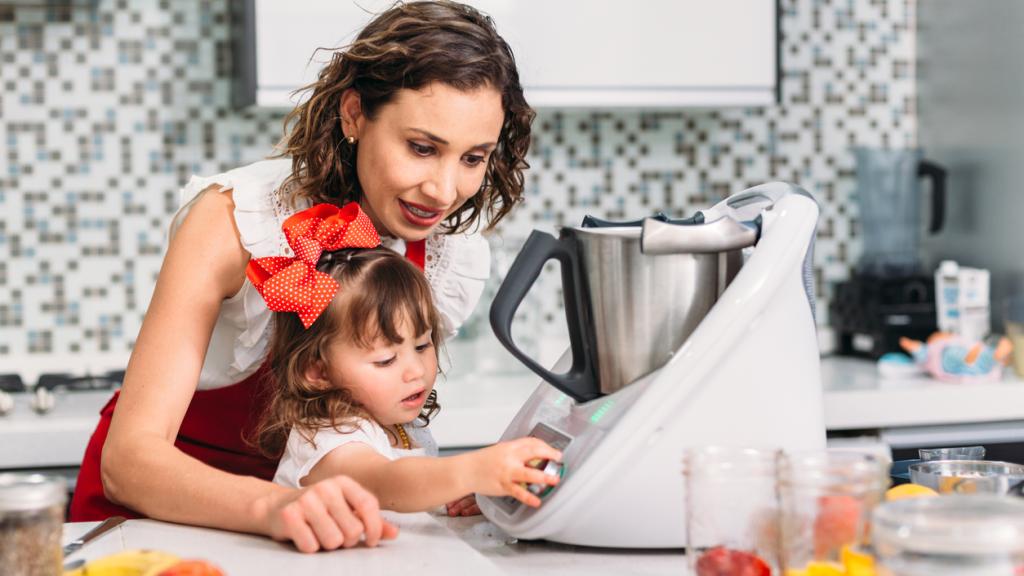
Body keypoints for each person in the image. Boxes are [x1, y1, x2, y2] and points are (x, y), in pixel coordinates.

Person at [68, 0, 534, 554]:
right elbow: (130, 463)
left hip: (303, 529)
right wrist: (277, 507)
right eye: (422, 148)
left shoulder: (443, 253)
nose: (442, 190)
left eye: (473, 158)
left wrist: (443, 485)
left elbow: (357, 432)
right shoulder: (235, 221)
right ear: (355, 114)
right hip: (149, 524)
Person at [250, 202, 560, 515]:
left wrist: (465, 490)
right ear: (317, 371)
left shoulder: (394, 423)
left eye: (423, 345)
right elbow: (386, 483)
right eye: (386, 360)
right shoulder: (328, 438)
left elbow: (414, 492)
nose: (415, 371)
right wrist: (472, 471)